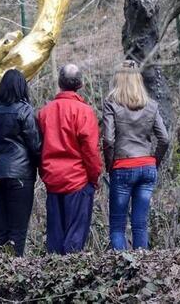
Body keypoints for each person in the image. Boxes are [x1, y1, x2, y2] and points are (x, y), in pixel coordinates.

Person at [102, 61, 170, 250]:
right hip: (147, 167)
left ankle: (120, 271)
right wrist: (154, 162)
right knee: (140, 224)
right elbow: (164, 138)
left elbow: (108, 140)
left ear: (118, 80)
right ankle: (143, 270)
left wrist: (109, 165)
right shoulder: (152, 105)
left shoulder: (111, 104)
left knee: (117, 226)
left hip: (122, 166)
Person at [37, 63, 102, 254]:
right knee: (75, 236)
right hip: (77, 180)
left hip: (52, 179)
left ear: (59, 83)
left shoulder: (44, 112)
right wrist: (94, 177)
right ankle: (72, 276)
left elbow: (38, 148)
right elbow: (90, 151)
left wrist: (44, 173)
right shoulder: (84, 112)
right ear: (80, 84)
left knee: (55, 237)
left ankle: (54, 275)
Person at [0, 69, 42, 256]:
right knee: (17, 232)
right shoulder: (25, 111)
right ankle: (14, 276)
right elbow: (35, 146)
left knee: (1, 232)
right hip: (20, 176)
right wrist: (41, 167)